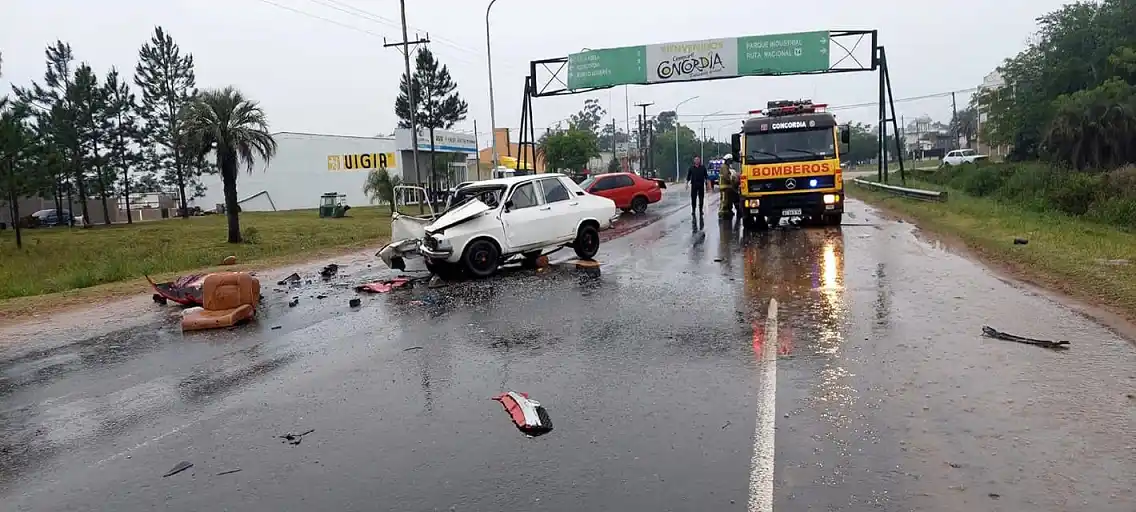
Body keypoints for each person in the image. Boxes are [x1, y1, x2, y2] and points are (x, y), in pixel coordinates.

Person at [718, 155, 736, 219]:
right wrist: (732, 178)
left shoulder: (726, 166)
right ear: (727, 160)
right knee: (724, 200)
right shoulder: (724, 167)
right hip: (724, 187)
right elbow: (726, 176)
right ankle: (721, 213)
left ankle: (726, 213)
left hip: (727, 187)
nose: (731, 162)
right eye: (730, 160)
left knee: (727, 200)